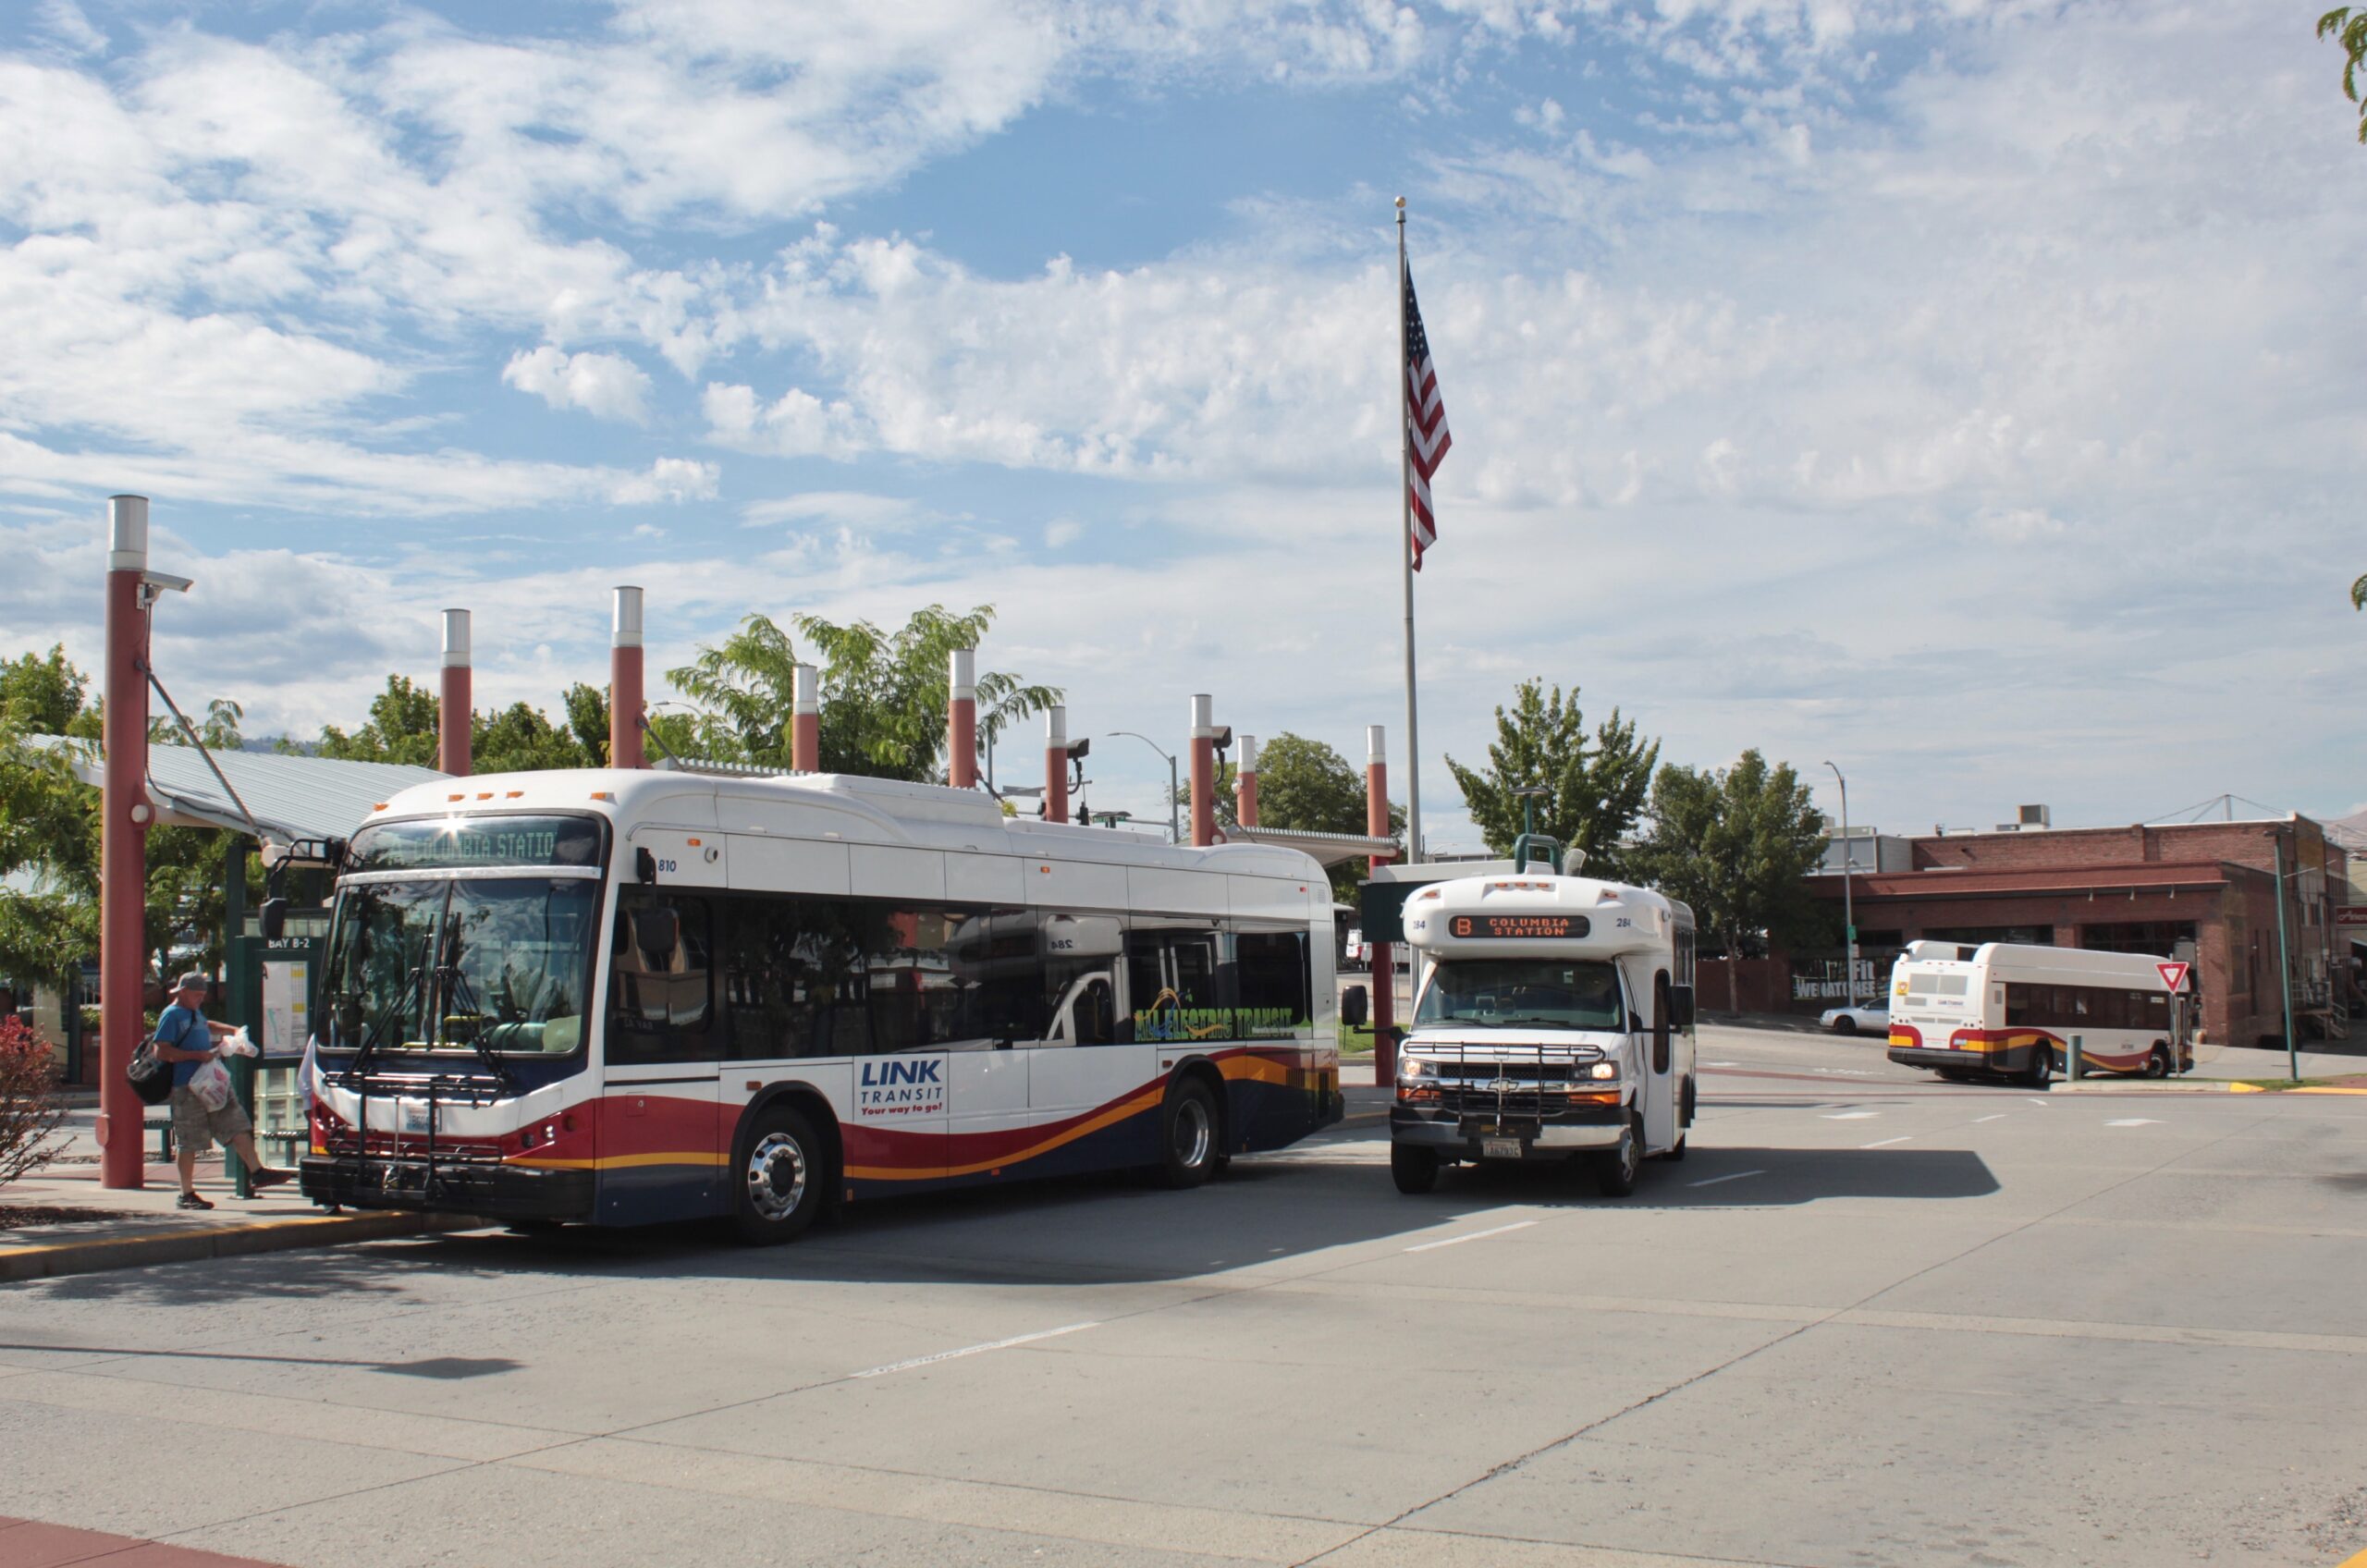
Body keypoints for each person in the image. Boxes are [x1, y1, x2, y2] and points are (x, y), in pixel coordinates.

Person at [151, 972, 290, 1209]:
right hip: (187, 1087)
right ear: (182, 992)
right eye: (197, 995)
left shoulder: (194, 1012)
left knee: (235, 1123)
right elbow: (161, 1051)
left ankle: (257, 1171)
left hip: (211, 1082)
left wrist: (234, 1031)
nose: (200, 1000)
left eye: (203, 995)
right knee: (190, 1141)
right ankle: (186, 1193)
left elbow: (206, 1024)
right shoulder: (171, 1015)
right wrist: (197, 1055)